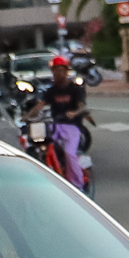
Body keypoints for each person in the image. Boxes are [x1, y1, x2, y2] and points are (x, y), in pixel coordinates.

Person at [37, 56, 92, 189]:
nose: (58, 74)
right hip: (55, 126)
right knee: (40, 145)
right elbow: (40, 106)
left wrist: (74, 113)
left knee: (69, 153)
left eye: (61, 71)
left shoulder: (75, 89)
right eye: (55, 71)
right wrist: (27, 116)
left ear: (66, 72)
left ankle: (77, 184)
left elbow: (82, 107)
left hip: (72, 127)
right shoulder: (51, 91)